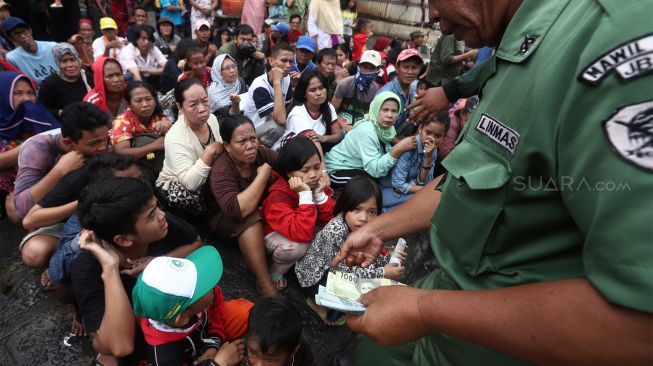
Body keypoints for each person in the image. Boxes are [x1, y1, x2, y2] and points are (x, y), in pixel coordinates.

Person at [335, 0, 653, 365]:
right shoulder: (521, 38)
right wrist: (380, 228)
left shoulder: (609, 36)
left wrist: (424, 310)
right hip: (445, 311)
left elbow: (639, 321)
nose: (433, 16)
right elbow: (471, 178)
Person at [72, 177, 202, 365]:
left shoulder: (162, 226)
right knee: (108, 352)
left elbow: (196, 242)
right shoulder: (86, 270)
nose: (161, 215)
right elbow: (121, 346)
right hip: (132, 334)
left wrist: (159, 262)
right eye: (151, 215)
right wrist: (110, 269)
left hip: (170, 320)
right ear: (124, 240)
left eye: (157, 206)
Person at [295, 177, 406, 325]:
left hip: (337, 272)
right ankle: (322, 308)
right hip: (314, 279)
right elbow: (343, 276)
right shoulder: (335, 232)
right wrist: (383, 272)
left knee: (368, 283)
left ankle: (335, 310)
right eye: (357, 209)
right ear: (345, 207)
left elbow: (371, 259)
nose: (364, 218)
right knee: (353, 294)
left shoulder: (368, 230)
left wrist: (390, 259)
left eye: (372, 212)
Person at [15, 102, 109, 270]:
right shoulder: (37, 149)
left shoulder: (99, 140)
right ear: (68, 143)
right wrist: (59, 171)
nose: (103, 147)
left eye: (105, 139)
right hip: (50, 210)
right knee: (34, 253)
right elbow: (24, 212)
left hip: (86, 210)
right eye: (94, 143)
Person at [132, 246, 251, 366]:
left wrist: (213, 345)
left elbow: (216, 304)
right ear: (182, 318)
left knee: (246, 312)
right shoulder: (164, 358)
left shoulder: (191, 305)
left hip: (206, 339)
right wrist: (219, 363)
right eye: (203, 287)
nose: (212, 284)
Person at [208, 115, 278, 298]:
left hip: (256, 209)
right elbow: (237, 210)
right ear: (227, 147)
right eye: (241, 142)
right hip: (224, 217)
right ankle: (264, 282)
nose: (250, 146)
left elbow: (289, 163)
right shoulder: (222, 169)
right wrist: (262, 176)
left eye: (253, 138)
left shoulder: (262, 153)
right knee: (250, 218)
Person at [261, 137, 334, 289]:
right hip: (276, 235)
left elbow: (331, 222)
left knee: (330, 234)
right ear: (289, 172)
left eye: (317, 167)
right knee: (297, 248)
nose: (313, 174)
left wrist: (320, 195)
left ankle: (301, 265)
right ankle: (275, 270)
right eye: (305, 170)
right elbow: (300, 234)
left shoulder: (316, 183)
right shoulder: (278, 195)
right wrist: (306, 195)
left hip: (302, 228)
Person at [157, 78, 223, 214]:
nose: (202, 109)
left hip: (208, 174)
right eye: (193, 105)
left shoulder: (212, 119)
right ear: (180, 107)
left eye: (205, 101)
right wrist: (210, 151)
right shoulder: (174, 137)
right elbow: (190, 183)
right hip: (178, 183)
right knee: (185, 194)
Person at [0, 72, 59, 223]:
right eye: (17, 93)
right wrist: (34, 143)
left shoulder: (36, 116)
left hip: (41, 180)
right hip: (10, 187)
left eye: (30, 93)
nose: (26, 98)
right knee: (17, 212)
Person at [325, 91, 416, 188]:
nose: (389, 115)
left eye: (394, 111)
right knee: (369, 184)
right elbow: (375, 170)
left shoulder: (386, 129)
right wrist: (398, 149)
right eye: (385, 110)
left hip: (358, 167)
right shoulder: (367, 131)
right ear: (376, 109)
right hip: (337, 170)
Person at [380, 111, 448, 212]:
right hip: (389, 191)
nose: (431, 139)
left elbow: (423, 182)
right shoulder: (409, 148)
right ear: (420, 129)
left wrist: (428, 160)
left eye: (438, 136)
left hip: (410, 191)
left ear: (444, 137)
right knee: (425, 203)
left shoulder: (433, 151)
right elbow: (398, 186)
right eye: (428, 133)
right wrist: (425, 191)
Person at [110, 81, 172, 174]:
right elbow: (121, 153)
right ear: (128, 104)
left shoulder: (160, 118)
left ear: (155, 101)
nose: (145, 104)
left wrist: (168, 126)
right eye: (139, 101)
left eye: (148, 99)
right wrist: (155, 145)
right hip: (137, 168)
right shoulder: (122, 122)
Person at [273, 71, 341, 151]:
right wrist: (322, 163)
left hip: (312, 151)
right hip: (287, 153)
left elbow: (337, 135)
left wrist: (324, 138)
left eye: (321, 88)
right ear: (304, 94)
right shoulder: (297, 114)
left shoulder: (328, 106)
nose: (318, 93)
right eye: (313, 90)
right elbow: (310, 144)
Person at [243, 42, 295, 148]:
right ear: (271, 61)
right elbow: (280, 120)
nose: (288, 66)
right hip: (253, 130)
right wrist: (277, 83)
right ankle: (260, 150)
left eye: (291, 61)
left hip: (272, 124)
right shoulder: (259, 85)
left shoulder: (287, 79)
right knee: (278, 128)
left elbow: (286, 109)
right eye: (284, 61)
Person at [244, 296, 316, 366]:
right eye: (253, 354)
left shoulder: (304, 360)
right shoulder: (241, 350)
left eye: (270, 360)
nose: (258, 364)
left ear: (292, 353)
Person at [39, 43, 94, 120]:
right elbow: (41, 109)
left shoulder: (88, 77)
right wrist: (61, 112)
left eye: (73, 60)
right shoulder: (49, 84)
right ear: (58, 63)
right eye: (64, 61)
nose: (70, 65)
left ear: (78, 60)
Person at [332, 50, 381, 131]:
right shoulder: (345, 84)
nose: (368, 72)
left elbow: (369, 114)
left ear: (378, 70)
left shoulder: (375, 89)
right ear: (359, 67)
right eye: (365, 67)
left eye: (372, 68)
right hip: (340, 127)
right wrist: (343, 124)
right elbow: (332, 111)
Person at [377, 48, 423, 131]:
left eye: (414, 67)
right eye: (405, 67)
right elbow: (379, 128)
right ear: (397, 69)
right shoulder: (386, 93)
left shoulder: (412, 90)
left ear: (419, 70)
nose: (410, 72)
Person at [3, 17, 59, 84]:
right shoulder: (12, 58)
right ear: (11, 38)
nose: (22, 36)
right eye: (17, 34)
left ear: (30, 30)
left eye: (24, 31)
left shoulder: (52, 46)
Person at [208, 54, 248, 118]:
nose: (232, 70)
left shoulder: (240, 81)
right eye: (227, 68)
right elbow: (229, 117)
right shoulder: (214, 94)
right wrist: (235, 103)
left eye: (234, 66)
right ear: (218, 72)